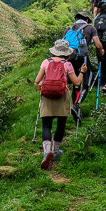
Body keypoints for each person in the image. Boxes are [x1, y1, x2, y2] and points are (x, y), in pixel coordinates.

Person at [34, 39, 87, 169]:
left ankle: (46, 152)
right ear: (67, 53)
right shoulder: (67, 64)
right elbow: (77, 83)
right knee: (61, 124)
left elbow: (37, 81)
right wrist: (82, 72)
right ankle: (56, 151)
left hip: (47, 96)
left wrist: (43, 86)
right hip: (62, 96)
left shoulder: (46, 62)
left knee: (46, 125)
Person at [65, 10, 103, 119]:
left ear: (76, 18)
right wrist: (101, 52)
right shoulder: (90, 28)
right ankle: (76, 106)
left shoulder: (68, 29)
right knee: (86, 83)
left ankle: (75, 108)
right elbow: (97, 44)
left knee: (76, 83)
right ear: (86, 19)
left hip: (69, 59)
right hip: (83, 58)